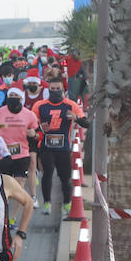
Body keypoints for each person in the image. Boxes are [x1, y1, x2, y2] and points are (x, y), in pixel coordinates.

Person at [32, 72, 87, 217]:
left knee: (65, 177)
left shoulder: (70, 105)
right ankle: (47, 203)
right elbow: (31, 125)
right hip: (46, 147)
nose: (55, 91)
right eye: (52, 89)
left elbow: (86, 123)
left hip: (64, 148)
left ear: (63, 90)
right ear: (48, 89)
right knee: (48, 173)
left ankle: (67, 203)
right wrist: (40, 128)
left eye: (58, 89)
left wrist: (76, 118)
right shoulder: (40, 105)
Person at [0, 87, 38, 203]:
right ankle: (4, 207)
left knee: (19, 184)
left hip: (22, 153)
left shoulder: (29, 114)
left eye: (16, 96)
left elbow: (37, 132)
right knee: (4, 185)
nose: (13, 98)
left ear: (21, 98)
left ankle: (17, 211)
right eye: (10, 96)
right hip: (3, 154)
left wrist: (33, 133)